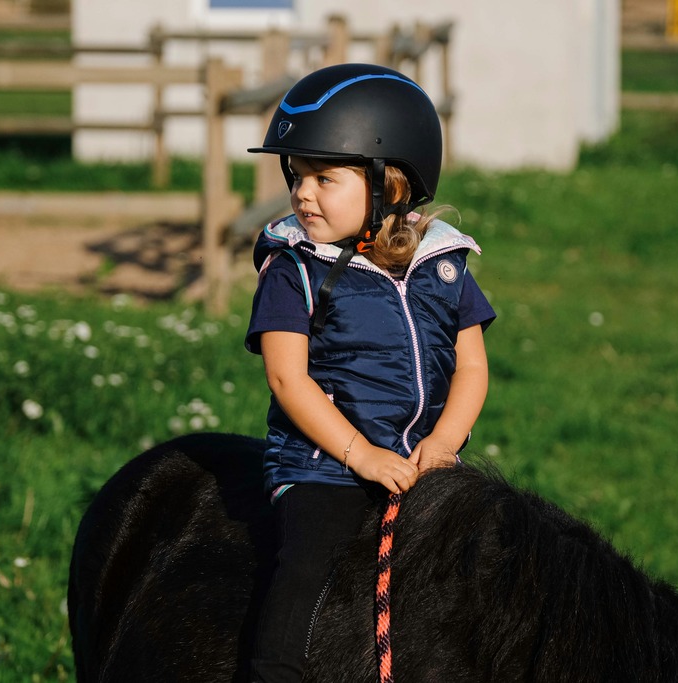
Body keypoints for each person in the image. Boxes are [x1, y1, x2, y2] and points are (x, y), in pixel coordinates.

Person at [244, 63, 495, 683]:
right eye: (296, 176)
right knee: (304, 575)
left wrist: (442, 445)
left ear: (394, 185)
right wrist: (359, 455)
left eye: (323, 177)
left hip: (423, 462)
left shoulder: (444, 266)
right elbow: (287, 380)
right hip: (325, 466)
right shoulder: (293, 268)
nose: (302, 194)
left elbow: (471, 367)